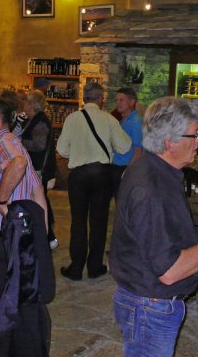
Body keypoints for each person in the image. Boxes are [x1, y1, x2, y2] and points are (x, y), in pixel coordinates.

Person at [109, 97, 198, 357]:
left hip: (146, 301)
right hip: (150, 307)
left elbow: (164, 237)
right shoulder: (151, 187)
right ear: (170, 142)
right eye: (195, 134)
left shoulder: (156, 169)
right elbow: (168, 271)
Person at [0, 97, 49, 356]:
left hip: (2, 241)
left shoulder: (1, 142)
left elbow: (17, 166)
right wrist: (42, 233)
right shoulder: (14, 142)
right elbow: (38, 189)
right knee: (20, 303)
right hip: (19, 238)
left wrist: (0, 199)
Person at [57, 83, 131, 281]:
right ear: (101, 99)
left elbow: (62, 150)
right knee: (99, 222)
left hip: (79, 175)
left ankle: (76, 267)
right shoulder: (109, 119)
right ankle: (95, 266)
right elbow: (124, 147)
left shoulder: (72, 119)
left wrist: (78, 150)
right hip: (102, 174)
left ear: (83, 98)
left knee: (78, 221)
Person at [21, 89, 58, 249]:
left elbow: (39, 145)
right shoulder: (34, 119)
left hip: (39, 169)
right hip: (36, 169)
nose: (24, 105)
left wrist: (19, 142)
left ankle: (48, 236)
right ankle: (47, 236)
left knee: (38, 202)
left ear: (32, 104)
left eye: (26, 102)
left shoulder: (40, 121)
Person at [111, 87, 143, 197]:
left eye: (121, 100)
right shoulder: (124, 120)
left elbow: (138, 151)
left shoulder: (135, 122)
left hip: (124, 168)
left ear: (132, 102)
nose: (118, 103)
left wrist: (127, 173)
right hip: (118, 167)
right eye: (117, 100)